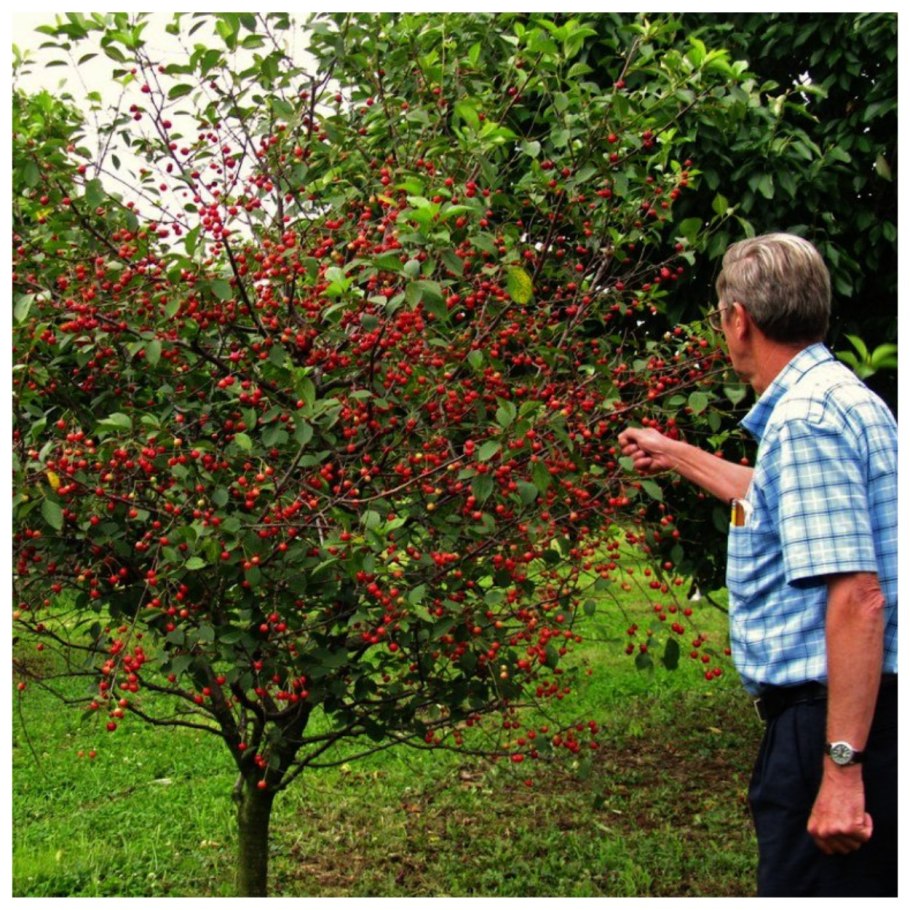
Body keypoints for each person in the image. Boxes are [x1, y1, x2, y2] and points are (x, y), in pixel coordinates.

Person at [618, 233, 897, 897]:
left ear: (739, 319)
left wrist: (841, 769)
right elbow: (780, 500)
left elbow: (859, 596)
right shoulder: (844, 397)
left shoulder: (803, 420)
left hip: (831, 721)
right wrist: (676, 453)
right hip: (864, 713)